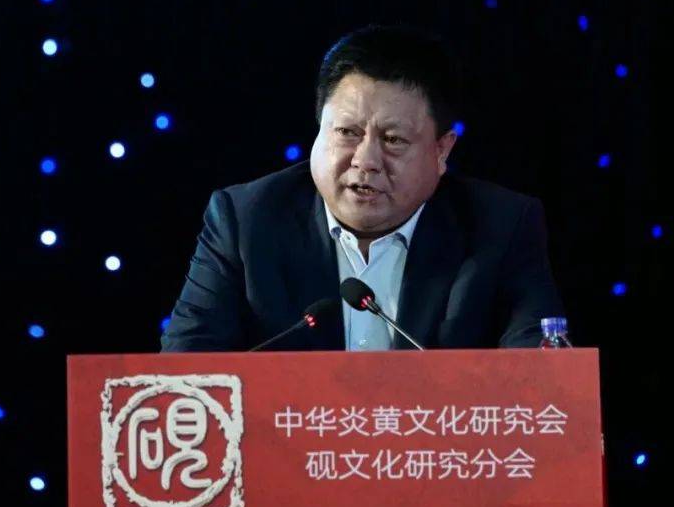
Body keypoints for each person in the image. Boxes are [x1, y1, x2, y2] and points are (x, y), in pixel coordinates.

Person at [161, 25, 565, 352]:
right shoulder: (245, 220)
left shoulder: (502, 226)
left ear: (441, 151)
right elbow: (186, 377)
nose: (366, 160)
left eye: (393, 140)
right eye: (347, 132)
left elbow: (538, 376)